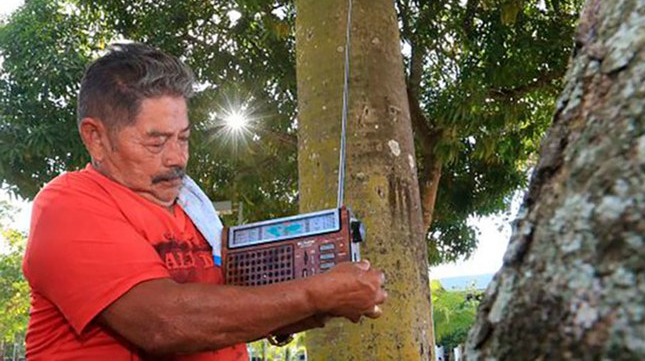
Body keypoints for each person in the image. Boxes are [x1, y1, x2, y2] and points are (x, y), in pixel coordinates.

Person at [22, 43, 387, 360]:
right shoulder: (68, 205)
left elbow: (237, 311)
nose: (177, 158)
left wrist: (334, 297)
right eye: (156, 142)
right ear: (96, 138)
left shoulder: (192, 207)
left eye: (183, 138)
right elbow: (163, 323)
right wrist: (314, 295)